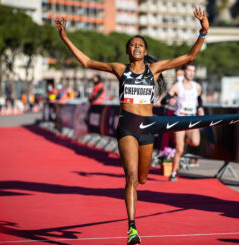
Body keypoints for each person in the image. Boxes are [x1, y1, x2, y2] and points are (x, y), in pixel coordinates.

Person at [55, 8, 208, 244]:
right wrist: (65, 36)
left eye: (140, 45)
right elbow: (86, 62)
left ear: (145, 51)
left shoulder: (154, 70)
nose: (136, 47)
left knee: (143, 179)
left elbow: (188, 58)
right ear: (128, 51)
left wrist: (203, 32)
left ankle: (136, 204)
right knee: (131, 178)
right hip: (126, 126)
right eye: (132, 44)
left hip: (148, 128)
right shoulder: (120, 69)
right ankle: (132, 229)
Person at [161, 63, 204, 181]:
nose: (191, 73)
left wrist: (200, 108)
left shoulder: (197, 86)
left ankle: (183, 138)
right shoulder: (177, 86)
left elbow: (199, 99)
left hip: (192, 118)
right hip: (179, 118)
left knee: (195, 142)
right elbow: (164, 100)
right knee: (179, 149)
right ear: (184, 71)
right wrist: (169, 101)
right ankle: (173, 173)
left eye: (193, 71)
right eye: (189, 70)